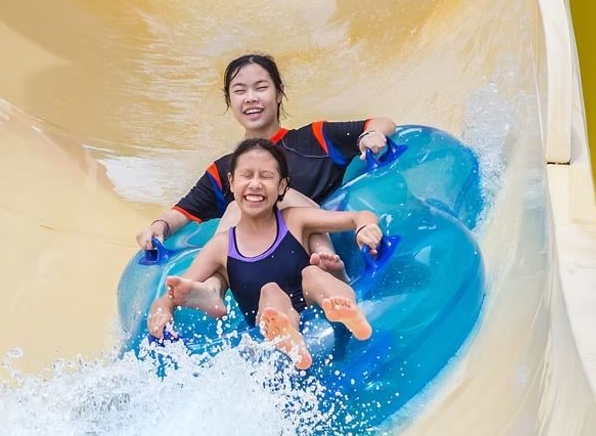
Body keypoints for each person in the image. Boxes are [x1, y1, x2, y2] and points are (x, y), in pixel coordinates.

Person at [133, 54, 398, 278]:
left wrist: (370, 135)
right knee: (236, 208)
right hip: (263, 271)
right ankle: (211, 286)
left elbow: (382, 123)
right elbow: (182, 213)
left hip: (319, 250)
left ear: (279, 93)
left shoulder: (315, 139)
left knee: (272, 199)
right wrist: (158, 227)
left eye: (260, 88)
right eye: (240, 91)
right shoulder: (226, 169)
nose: (250, 98)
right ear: (229, 101)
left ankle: (329, 272)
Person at [147, 138, 382, 371]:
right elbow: (172, 294)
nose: (255, 184)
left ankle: (348, 313)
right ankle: (288, 338)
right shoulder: (221, 246)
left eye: (266, 176)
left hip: (315, 302)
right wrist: (162, 309)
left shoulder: (295, 219)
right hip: (271, 318)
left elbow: (359, 216)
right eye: (246, 175)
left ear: (282, 186)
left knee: (313, 273)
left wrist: (364, 228)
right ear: (232, 182)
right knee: (270, 291)